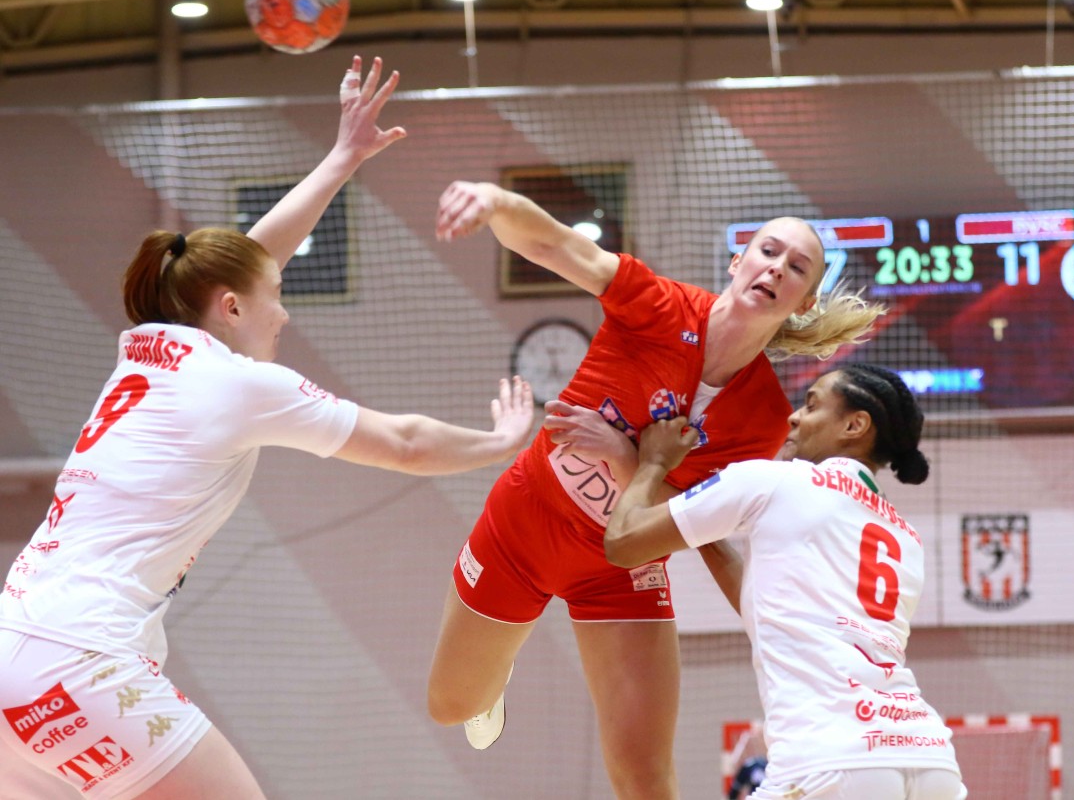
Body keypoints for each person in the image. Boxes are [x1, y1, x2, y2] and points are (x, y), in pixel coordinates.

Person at [0, 58, 535, 800]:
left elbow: (248, 262)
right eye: (277, 296)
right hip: (81, 659)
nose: (283, 313)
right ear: (230, 308)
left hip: (16, 647)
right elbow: (405, 443)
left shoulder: (148, 355)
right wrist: (501, 442)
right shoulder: (236, 383)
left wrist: (342, 158)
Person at [429, 181, 884, 798]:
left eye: (797, 267)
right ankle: (494, 677)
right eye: (768, 251)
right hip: (523, 526)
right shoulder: (659, 306)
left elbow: (690, 524)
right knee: (452, 707)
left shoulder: (764, 420)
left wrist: (627, 458)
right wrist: (495, 202)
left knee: (644, 777)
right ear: (738, 262)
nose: (778, 267)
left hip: (622, 570)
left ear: (802, 303)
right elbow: (554, 245)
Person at [604, 363, 966, 800]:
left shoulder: (771, 480)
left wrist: (653, 463)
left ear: (854, 425)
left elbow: (623, 543)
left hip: (829, 760)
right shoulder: (905, 536)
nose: (794, 416)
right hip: (929, 760)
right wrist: (696, 521)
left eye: (812, 405)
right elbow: (765, 606)